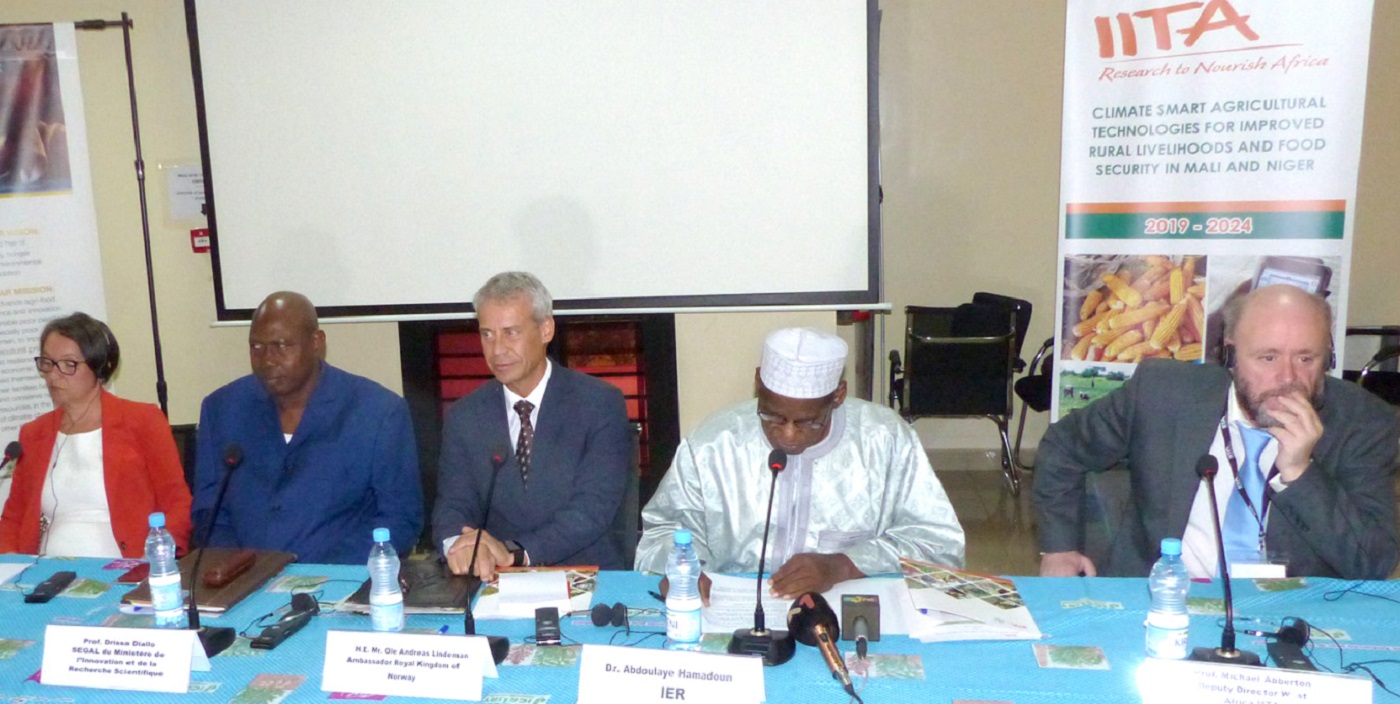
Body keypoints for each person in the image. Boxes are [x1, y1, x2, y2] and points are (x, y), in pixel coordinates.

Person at [1035, 284, 1399, 579]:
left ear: (1329, 359)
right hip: (1163, 598)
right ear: (1229, 356)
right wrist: (1059, 548)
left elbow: (1372, 564)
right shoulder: (1161, 392)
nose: (1288, 378)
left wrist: (1301, 473)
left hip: (1291, 613)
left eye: (1306, 358)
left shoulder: (1365, 424)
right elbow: (1063, 448)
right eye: (1267, 358)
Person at [635, 327, 965, 600]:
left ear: (837, 396)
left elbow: (938, 543)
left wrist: (843, 565)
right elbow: (664, 530)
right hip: (729, 610)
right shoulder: (714, 443)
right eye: (772, 416)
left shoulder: (885, 440)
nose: (788, 435)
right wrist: (685, 570)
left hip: (848, 607)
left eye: (808, 422)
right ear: (758, 384)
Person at [192, 292, 423, 564]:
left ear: (316, 343)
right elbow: (210, 514)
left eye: (281, 346)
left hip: (341, 583)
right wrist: (241, 568)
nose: (267, 359)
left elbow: (401, 518)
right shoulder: (222, 410)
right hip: (244, 584)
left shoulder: (377, 412)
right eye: (257, 347)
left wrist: (320, 574)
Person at [432, 272, 632, 581]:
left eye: (510, 332)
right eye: (487, 334)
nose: (497, 350)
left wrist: (515, 552)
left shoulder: (599, 404)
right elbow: (453, 505)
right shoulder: (465, 416)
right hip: (495, 580)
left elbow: (592, 510)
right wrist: (458, 547)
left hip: (586, 575)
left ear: (546, 329)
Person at [0, 313, 190, 558]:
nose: (52, 375)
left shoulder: (143, 421)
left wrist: (156, 560)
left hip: (128, 569)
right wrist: (8, 563)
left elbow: (177, 503)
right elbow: (14, 517)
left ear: (99, 368)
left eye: (68, 364)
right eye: (47, 362)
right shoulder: (33, 434)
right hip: (44, 574)